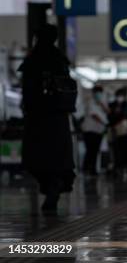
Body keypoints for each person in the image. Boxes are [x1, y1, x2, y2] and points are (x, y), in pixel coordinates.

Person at [18, 24, 75, 213]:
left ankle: (50, 186)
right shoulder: (60, 59)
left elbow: (26, 90)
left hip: (38, 117)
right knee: (58, 156)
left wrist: (27, 108)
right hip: (58, 117)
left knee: (36, 157)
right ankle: (54, 185)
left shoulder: (32, 59)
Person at [108, 87, 127, 177]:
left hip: (126, 131)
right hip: (116, 131)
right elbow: (110, 117)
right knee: (116, 150)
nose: (120, 97)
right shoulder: (112, 105)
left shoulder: (126, 104)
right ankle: (118, 168)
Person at [81, 85, 108, 176]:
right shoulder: (90, 102)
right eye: (97, 92)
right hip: (89, 130)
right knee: (90, 150)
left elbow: (108, 112)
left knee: (95, 151)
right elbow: (93, 115)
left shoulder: (102, 104)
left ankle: (92, 169)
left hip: (98, 131)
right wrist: (104, 123)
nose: (99, 94)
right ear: (93, 93)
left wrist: (102, 105)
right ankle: (86, 169)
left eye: (100, 92)